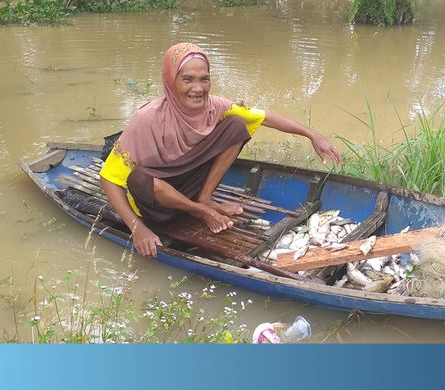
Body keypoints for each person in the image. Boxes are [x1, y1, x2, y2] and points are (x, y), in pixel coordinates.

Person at [99, 42, 341, 258]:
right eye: (188, 79)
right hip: (156, 204)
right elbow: (109, 179)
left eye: (204, 79)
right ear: (171, 81)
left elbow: (265, 117)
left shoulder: (215, 107)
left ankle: (204, 197)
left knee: (236, 125)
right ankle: (200, 209)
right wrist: (137, 227)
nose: (198, 88)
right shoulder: (147, 118)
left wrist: (312, 135)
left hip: (189, 186)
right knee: (139, 177)